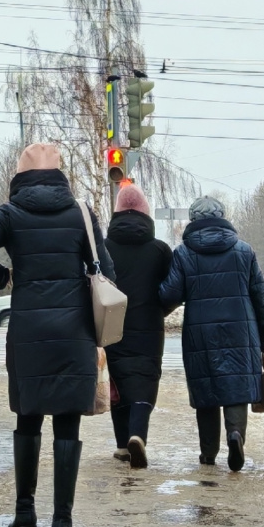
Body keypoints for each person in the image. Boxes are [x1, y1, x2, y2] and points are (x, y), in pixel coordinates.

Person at [0, 143, 115, 527]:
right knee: (67, 423)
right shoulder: (80, 212)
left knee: (28, 419)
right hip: (74, 331)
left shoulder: (10, 214)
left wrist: (5, 277)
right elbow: (108, 272)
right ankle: (61, 524)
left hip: (28, 330)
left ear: (21, 174)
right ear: (59, 173)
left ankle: (25, 514)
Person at [159, 196, 264, 473]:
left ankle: (208, 452)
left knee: (207, 389)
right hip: (241, 330)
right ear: (222, 216)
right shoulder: (244, 251)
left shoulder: (184, 253)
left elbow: (170, 295)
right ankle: (235, 435)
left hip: (201, 333)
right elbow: (261, 296)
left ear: (193, 220)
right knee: (235, 387)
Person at [103, 184, 172, 469]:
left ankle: (122, 445)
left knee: (116, 382)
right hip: (148, 326)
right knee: (144, 381)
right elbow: (172, 289)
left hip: (111, 325)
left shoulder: (103, 248)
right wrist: (159, 309)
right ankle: (137, 435)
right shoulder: (160, 250)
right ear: (146, 214)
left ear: (116, 213)